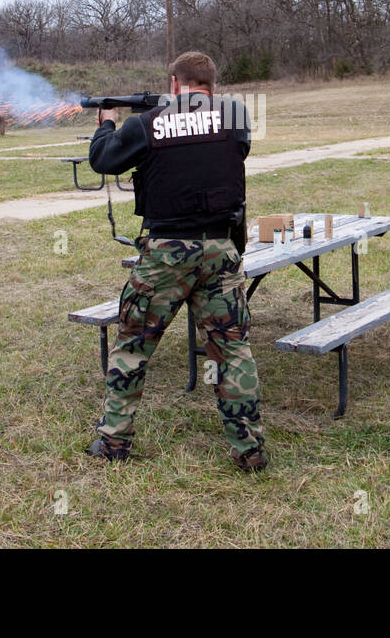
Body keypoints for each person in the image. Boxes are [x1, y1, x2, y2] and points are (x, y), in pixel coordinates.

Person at [85, 51, 268, 471]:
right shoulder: (235, 114)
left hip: (166, 253)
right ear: (211, 86)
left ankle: (114, 442)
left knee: (133, 346)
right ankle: (250, 451)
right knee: (232, 350)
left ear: (173, 84)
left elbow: (104, 160)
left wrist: (108, 124)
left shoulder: (145, 124)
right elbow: (231, 147)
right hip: (221, 249)